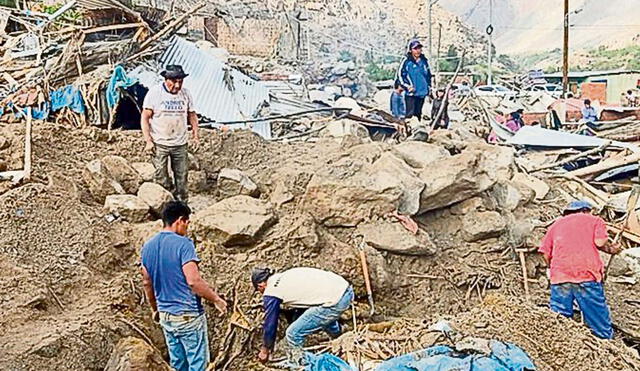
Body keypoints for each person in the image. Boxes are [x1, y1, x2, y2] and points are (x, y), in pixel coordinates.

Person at [141, 201, 228, 371]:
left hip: (166, 316)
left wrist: (155, 309)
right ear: (180, 220)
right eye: (187, 223)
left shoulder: (147, 247)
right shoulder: (184, 244)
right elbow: (193, 281)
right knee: (198, 366)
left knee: (178, 364)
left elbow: (147, 282)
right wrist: (216, 300)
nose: (187, 228)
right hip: (187, 315)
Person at [538, 200, 621, 339]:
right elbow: (599, 242)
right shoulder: (595, 220)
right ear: (586, 210)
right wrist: (613, 249)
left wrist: (552, 268)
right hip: (586, 274)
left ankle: (561, 344)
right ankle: (607, 345)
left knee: (559, 318)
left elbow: (545, 254)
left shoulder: (556, 225)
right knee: (597, 317)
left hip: (560, 276)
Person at [252, 267, 354, 365]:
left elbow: (270, 324)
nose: (261, 293)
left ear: (261, 285)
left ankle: (303, 364)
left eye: (258, 290)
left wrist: (265, 349)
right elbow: (302, 305)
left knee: (293, 334)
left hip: (336, 302)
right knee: (320, 314)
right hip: (345, 289)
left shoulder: (271, 291)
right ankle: (339, 336)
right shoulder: (284, 276)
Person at [141, 65, 199, 203]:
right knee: (160, 175)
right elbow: (145, 117)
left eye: (180, 81)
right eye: (174, 81)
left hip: (180, 143)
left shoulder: (186, 94)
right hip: (160, 142)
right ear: (166, 80)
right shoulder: (155, 93)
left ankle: (182, 204)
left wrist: (196, 135)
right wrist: (148, 140)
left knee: (182, 175)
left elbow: (192, 115)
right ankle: (166, 203)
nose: (177, 85)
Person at [397, 39, 432, 121]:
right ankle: (409, 131)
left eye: (419, 48)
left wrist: (429, 87)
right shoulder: (406, 62)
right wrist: (407, 86)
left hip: (422, 92)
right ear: (411, 50)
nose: (417, 51)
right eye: (415, 49)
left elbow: (428, 75)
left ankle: (418, 131)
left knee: (418, 114)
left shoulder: (424, 61)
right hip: (411, 93)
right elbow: (400, 75)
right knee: (410, 115)